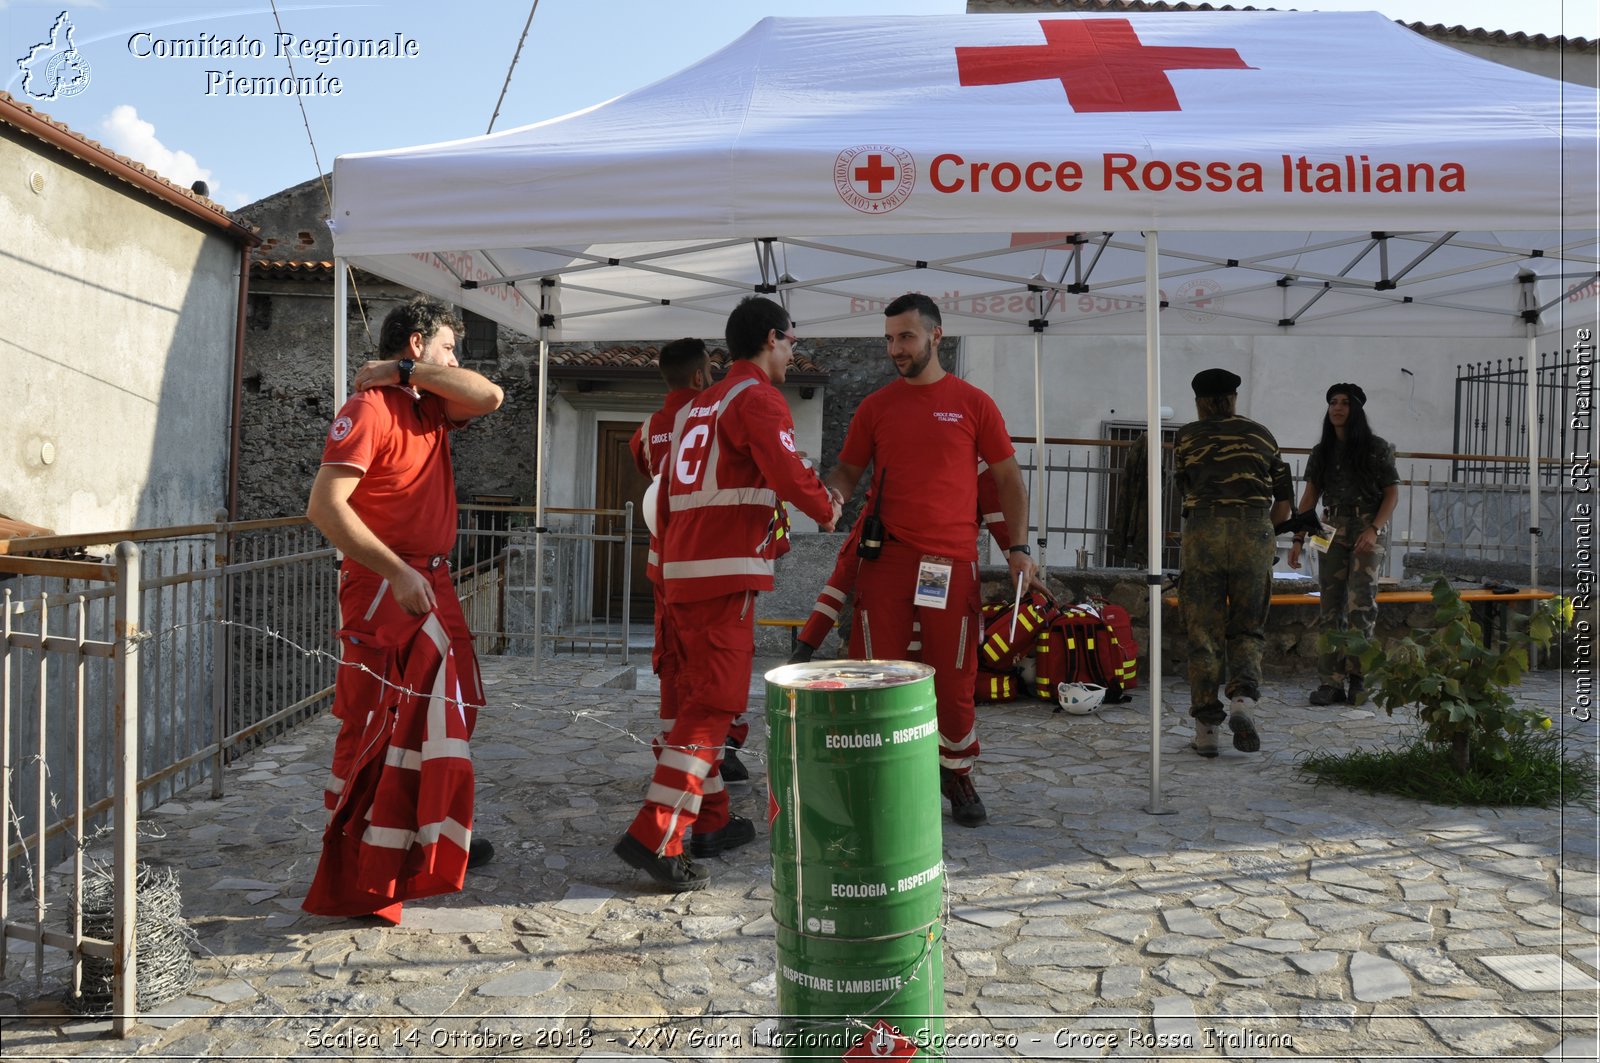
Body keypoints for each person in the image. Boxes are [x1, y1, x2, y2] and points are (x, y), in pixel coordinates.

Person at [614, 296, 840, 891]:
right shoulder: (757, 399)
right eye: (791, 342)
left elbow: (659, 489)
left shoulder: (696, 406)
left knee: (694, 702)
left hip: (679, 574)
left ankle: (708, 819)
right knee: (714, 708)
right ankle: (657, 834)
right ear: (771, 338)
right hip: (725, 574)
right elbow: (789, 472)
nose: (794, 353)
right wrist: (828, 506)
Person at [302, 296, 505, 923]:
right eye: (446, 347)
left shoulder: (428, 401)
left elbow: (490, 395)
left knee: (444, 715)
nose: (455, 360)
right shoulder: (366, 408)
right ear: (416, 343)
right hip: (386, 583)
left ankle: (425, 840)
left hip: (431, 581)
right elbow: (325, 508)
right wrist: (396, 570)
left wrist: (408, 374)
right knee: (373, 723)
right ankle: (360, 874)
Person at [823, 293, 1036, 827]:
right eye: (890, 338)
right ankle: (873, 773)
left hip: (951, 561)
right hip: (887, 561)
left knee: (954, 674)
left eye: (906, 337)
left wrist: (1018, 547)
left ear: (936, 336)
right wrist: (824, 496)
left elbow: (1008, 478)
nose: (896, 348)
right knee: (877, 671)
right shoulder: (875, 406)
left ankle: (955, 772)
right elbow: (847, 473)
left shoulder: (973, 402)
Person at [629, 338, 751, 780]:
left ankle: (679, 746)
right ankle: (718, 748)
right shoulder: (715, 418)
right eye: (711, 372)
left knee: (672, 656)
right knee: (718, 657)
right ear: (700, 376)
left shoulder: (647, 429)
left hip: (662, 560)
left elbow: (648, 468)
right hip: (711, 559)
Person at [1173, 368, 1292, 758]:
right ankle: (1242, 701)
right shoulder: (1262, 435)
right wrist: (1265, 536)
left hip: (1204, 532)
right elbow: (1285, 503)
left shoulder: (1187, 437)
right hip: (1253, 532)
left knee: (1203, 633)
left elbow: (1182, 488)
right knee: (1247, 627)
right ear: (1234, 397)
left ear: (1199, 401)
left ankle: (1207, 731)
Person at [789, 462, 1011, 663]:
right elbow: (843, 575)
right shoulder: (907, 448)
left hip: (936, 559)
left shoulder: (972, 458)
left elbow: (998, 516)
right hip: (905, 551)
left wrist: (1018, 559)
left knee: (926, 631)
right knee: (893, 647)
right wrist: (807, 645)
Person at [1287, 383, 1400, 706]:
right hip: (1330, 527)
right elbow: (1310, 496)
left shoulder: (1375, 448)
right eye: (1333, 403)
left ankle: (1358, 677)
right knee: (1330, 605)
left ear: (1356, 410)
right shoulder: (1321, 451)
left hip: (1367, 525)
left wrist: (1374, 529)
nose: (1337, 408)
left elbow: (1391, 493)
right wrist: (1298, 537)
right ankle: (1330, 681)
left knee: (1361, 604)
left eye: (1345, 403)